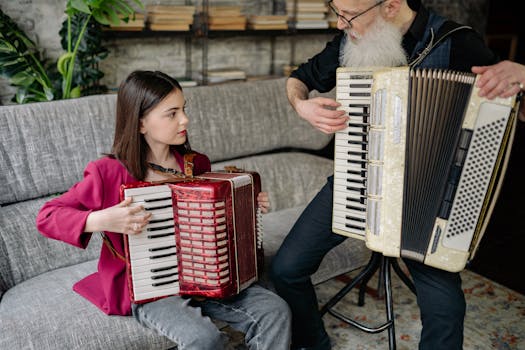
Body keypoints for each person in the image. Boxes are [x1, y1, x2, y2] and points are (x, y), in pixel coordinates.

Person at [270, 0, 498, 349]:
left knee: (443, 304)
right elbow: (298, 79)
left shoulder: (458, 43)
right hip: (357, 177)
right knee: (287, 268)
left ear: (390, 6)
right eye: (337, 12)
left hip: (425, 192)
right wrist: (302, 105)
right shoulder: (350, 40)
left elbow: (504, 108)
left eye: (348, 15)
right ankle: (314, 343)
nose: (340, 24)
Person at [36, 70, 291, 350]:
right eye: (172, 113)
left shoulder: (197, 164)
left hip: (206, 279)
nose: (185, 120)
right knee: (204, 339)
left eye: (184, 109)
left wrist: (246, 209)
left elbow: (217, 225)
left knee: (275, 311)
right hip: (152, 287)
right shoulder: (108, 173)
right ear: (141, 123)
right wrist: (102, 219)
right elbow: (47, 216)